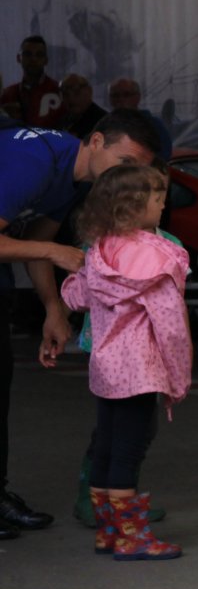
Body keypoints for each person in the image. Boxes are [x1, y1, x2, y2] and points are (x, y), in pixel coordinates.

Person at [0, 111, 162, 538]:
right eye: (125, 163)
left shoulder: (70, 179)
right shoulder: (36, 160)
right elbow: (44, 247)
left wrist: (53, 308)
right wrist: (55, 252)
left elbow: (35, 240)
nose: (128, 178)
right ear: (96, 141)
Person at [58, 163, 191, 558]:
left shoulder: (100, 251)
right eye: (157, 199)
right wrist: (179, 377)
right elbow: (171, 326)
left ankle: (108, 532)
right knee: (129, 452)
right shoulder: (157, 257)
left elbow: (76, 298)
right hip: (142, 370)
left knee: (107, 446)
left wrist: (78, 279)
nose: (163, 206)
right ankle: (132, 538)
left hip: (107, 369)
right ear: (133, 207)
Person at [1, 36, 64, 128]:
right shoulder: (7, 94)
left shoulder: (60, 92)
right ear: (19, 58)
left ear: (46, 60)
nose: (33, 59)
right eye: (27, 54)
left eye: (39, 55)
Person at [61, 74, 108, 140]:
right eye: (66, 94)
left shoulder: (103, 121)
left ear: (89, 91)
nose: (71, 99)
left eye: (77, 93)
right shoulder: (62, 120)